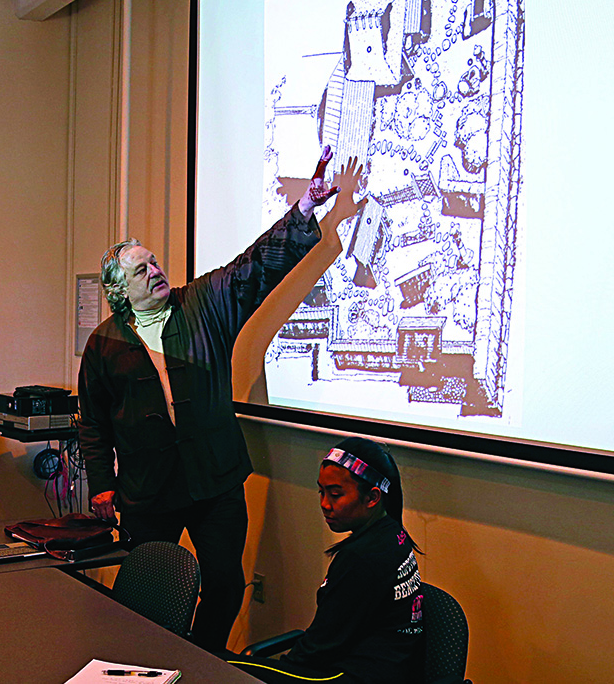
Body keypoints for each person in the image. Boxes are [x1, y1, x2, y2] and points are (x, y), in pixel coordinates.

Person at [78, 146, 356, 651]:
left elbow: (253, 267)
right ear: (119, 293)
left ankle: (201, 662)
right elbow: (93, 422)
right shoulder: (104, 343)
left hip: (215, 484)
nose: (156, 271)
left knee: (225, 587)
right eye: (141, 271)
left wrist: (304, 211)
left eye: (154, 262)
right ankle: (149, 666)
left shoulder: (203, 303)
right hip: (147, 491)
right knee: (147, 595)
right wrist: (101, 484)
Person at [228, 438, 425, 684]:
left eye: (335, 494)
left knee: (219, 665)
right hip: (383, 670)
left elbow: (318, 647)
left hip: (350, 675)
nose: (324, 504)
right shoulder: (394, 535)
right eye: (321, 491)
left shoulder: (362, 558)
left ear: (372, 497)